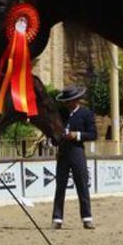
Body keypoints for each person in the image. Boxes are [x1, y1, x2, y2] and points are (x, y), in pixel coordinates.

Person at [52, 85, 97, 230]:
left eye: (70, 101)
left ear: (76, 100)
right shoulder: (60, 114)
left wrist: (77, 135)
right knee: (60, 186)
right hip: (63, 152)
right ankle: (57, 218)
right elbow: (54, 133)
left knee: (82, 185)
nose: (68, 104)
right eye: (66, 101)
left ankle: (87, 218)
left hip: (77, 151)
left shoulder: (86, 114)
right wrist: (56, 139)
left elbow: (93, 134)